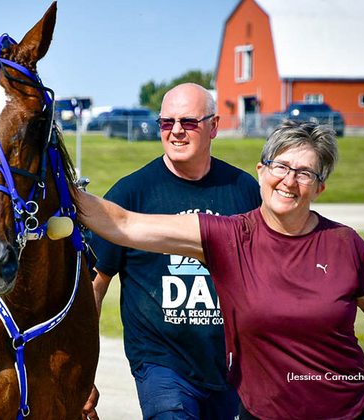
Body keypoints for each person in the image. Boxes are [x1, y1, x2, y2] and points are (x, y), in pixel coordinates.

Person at [77, 120, 364, 419]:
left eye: (305, 173)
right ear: (261, 171)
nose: (289, 181)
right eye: (281, 167)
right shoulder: (227, 238)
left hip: (352, 410)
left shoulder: (345, 243)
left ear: (320, 187)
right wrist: (49, 177)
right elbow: (123, 224)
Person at [89, 83, 260, 420]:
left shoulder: (244, 191)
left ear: (214, 126)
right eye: (167, 123)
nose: (177, 131)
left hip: (230, 365)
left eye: (189, 122)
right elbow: (95, 284)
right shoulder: (130, 194)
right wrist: (82, 372)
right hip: (160, 361)